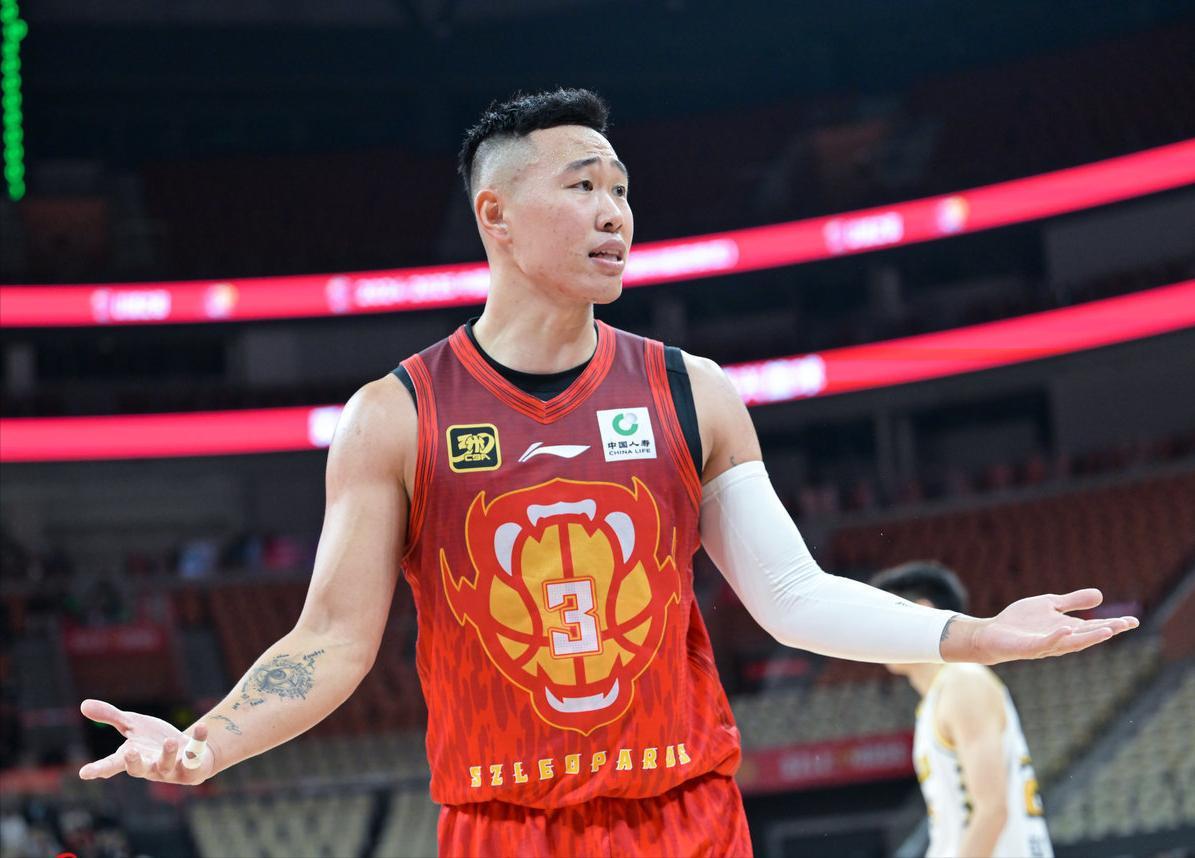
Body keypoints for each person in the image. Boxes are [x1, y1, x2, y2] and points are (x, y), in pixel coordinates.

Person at [78, 89, 1135, 856]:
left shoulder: (692, 391)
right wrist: (204, 745)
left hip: (686, 814)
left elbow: (790, 595)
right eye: (582, 186)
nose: (614, 212)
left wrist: (974, 635)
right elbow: (331, 642)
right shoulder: (394, 416)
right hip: (503, 825)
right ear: (494, 215)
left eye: (621, 189)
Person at [871, 561, 1054, 858]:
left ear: (921, 611)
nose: (871, 632)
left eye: (881, 616)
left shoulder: (963, 682)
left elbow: (992, 812)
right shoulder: (938, 697)